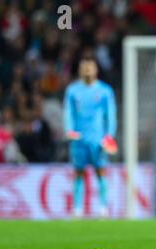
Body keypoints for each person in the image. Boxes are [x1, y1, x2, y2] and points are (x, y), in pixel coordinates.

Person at [63, 57, 118, 218]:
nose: (87, 70)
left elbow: (111, 114)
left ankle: (103, 208)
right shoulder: (73, 91)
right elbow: (68, 112)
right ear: (80, 70)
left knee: (101, 172)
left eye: (90, 67)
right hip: (79, 138)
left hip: (98, 139)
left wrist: (109, 136)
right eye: (84, 67)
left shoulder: (104, 90)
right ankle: (77, 209)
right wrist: (69, 130)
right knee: (78, 172)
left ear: (96, 70)